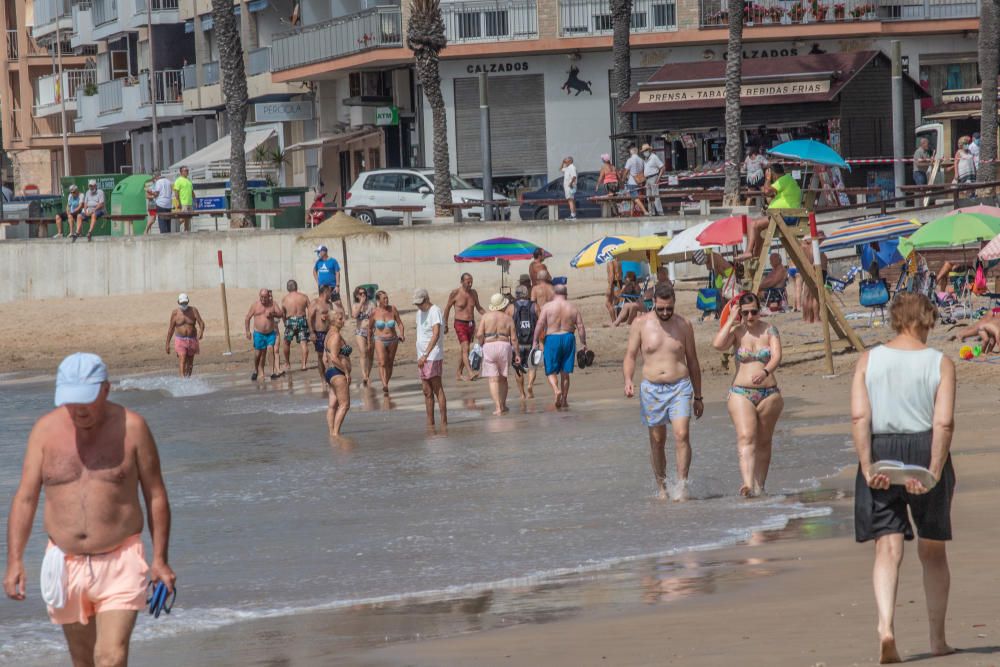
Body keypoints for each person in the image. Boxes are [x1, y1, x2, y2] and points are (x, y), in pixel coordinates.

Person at [3, 353, 176, 666]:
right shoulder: (44, 432)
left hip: (121, 560)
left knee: (110, 658)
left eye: (86, 400)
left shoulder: (133, 428)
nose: (78, 409)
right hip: (65, 565)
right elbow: (25, 498)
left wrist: (160, 559)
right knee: (83, 661)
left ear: (106, 390)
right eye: (70, 400)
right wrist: (14, 560)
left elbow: (155, 495)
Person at [850, 293, 956, 664]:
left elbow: (860, 418)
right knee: (932, 548)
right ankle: (937, 640)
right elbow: (943, 422)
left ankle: (886, 627)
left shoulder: (869, 359)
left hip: (882, 449)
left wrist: (866, 466)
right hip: (924, 447)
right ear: (925, 319)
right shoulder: (939, 363)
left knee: (887, 545)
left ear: (895, 319)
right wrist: (935, 468)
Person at [623, 282, 704, 500]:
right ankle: (662, 488)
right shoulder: (640, 324)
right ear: (653, 304)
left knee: (682, 434)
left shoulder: (684, 325)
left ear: (674, 303)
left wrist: (698, 396)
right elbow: (630, 355)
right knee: (657, 441)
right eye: (661, 309)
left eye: (669, 308)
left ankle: (682, 485)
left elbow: (693, 361)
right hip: (651, 389)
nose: (666, 312)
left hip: (680, 386)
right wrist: (628, 379)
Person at [712, 293, 783, 497]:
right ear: (740, 313)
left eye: (754, 311)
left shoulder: (770, 330)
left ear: (759, 310)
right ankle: (747, 484)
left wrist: (765, 371)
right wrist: (731, 319)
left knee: (764, 441)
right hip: (741, 393)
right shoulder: (736, 332)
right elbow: (718, 345)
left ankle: (760, 485)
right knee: (746, 437)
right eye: (746, 313)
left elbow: (777, 355)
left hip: (769, 393)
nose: (751, 316)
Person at [532, 284, 587, 409]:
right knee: (565, 372)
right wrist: (584, 343)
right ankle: (564, 400)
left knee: (550, 370)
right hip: (568, 337)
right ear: (566, 294)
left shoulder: (547, 307)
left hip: (552, 338)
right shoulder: (573, 307)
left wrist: (535, 341)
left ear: (554, 294)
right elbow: (581, 327)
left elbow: (540, 324)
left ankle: (556, 390)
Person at [745, 163, 802, 259]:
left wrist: (767, 179)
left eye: (771, 177)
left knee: (753, 224)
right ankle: (755, 254)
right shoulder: (788, 180)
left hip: (785, 216)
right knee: (759, 229)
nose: (771, 180)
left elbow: (767, 191)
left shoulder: (784, 179)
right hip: (784, 215)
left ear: (773, 175)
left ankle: (748, 251)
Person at [476, 294, 520, 415]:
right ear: (503, 305)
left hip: (489, 345)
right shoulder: (508, 318)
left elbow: (479, 334)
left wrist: (481, 344)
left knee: (493, 379)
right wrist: (517, 354)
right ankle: (504, 405)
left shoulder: (485, 317)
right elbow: (514, 339)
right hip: (504, 345)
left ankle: (497, 407)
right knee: (503, 378)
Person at [413, 288, 447, 426]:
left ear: (427, 299)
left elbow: (436, 334)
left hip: (432, 355)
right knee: (426, 391)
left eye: (420, 303)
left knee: (437, 388)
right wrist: (421, 356)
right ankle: (430, 422)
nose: (419, 306)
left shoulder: (435, 311)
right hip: (421, 356)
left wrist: (426, 354)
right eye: (417, 304)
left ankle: (444, 422)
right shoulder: (418, 313)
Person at [443, 273, 484, 382]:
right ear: (462, 282)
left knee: (464, 350)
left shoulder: (473, 293)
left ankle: (459, 373)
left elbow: (479, 308)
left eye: (471, 281)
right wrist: (445, 324)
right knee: (466, 348)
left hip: (471, 324)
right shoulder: (455, 293)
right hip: (460, 324)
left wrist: (489, 315)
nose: (470, 284)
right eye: (468, 282)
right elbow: (447, 308)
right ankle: (470, 372)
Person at [369, 290, 405, 395]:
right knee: (382, 363)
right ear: (378, 300)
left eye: (387, 298)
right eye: (384, 298)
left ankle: (386, 383)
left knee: (389, 363)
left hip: (393, 339)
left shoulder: (392, 309)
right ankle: (384, 384)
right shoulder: (374, 312)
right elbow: (370, 328)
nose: (386, 300)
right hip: (379, 339)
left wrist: (402, 334)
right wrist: (368, 341)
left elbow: (400, 323)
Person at [323, 309, 352, 436]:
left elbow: (325, 357)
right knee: (344, 405)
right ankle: (335, 433)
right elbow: (334, 358)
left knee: (332, 405)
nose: (343, 321)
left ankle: (331, 434)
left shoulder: (329, 334)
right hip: (337, 373)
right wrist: (346, 371)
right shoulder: (335, 336)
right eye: (340, 319)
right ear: (333, 321)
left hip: (330, 373)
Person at [245, 288, 283, 381]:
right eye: (261, 297)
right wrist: (247, 331)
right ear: (259, 296)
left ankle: (272, 372)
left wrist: (273, 314)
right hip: (258, 333)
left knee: (270, 349)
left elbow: (281, 314)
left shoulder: (273, 304)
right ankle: (256, 370)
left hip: (270, 333)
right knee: (258, 353)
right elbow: (247, 318)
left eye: (265, 297)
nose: (263, 299)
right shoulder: (255, 305)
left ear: (268, 296)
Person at [508, 284, 538, 399]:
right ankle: (530, 385)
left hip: (517, 343)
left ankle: (522, 394)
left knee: (517, 369)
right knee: (532, 367)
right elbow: (540, 323)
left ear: (516, 295)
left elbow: (505, 325)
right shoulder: (534, 306)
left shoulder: (511, 308)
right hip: (531, 342)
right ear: (527, 294)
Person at [165, 292, 205, 378]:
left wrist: (201, 332)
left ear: (188, 301)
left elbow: (201, 323)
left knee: (190, 362)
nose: (184, 304)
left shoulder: (193, 310)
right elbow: (171, 329)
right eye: (182, 303)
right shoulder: (175, 313)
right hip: (180, 340)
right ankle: (182, 380)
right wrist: (167, 344)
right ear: (178, 302)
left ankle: (188, 379)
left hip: (192, 339)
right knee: (182, 358)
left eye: (185, 303)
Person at [280, 279, 311, 373]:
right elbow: (310, 310)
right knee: (303, 343)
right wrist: (309, 322)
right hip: (302, 319)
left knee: (286, 342)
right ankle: (304, 365)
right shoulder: (304, 297)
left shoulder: (285, 299)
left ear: (287, 288)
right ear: (296, 287)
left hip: (290, 320)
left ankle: (287, 363)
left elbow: (283, 314)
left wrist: (285, 322)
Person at [309, 285, 335, 383]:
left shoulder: (329, 304)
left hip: (329, 332)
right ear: (325, 291)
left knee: (330, 354)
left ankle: (330, 375)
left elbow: (332, 317)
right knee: (320, 356)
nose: (331, 294)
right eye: (330, 291)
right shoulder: (314, 303)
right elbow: (309, 318)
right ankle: (323, 378)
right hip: (318, 333)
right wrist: (311, 332)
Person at [351, 286, 376, 386]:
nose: (363, 295)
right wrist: (361, 303)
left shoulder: (371, 304)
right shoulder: (356, 305)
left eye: (364, 293)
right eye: (360, 294)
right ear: (357, 295)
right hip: (360, 331)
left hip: (371, 331)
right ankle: (364, 375)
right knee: (363, 352)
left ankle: (368, 375)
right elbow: (354, 315)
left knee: (370, 354)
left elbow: (376, 316)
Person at [623, 145, 648, 216]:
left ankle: (645, 211)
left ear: (631, 152)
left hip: (631, 182)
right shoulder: (641, 160)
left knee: (635, 198)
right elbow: (643, 170)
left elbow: (626, 171)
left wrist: (623, 178)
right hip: (639, 181)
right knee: (632, 198)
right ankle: (631, 213)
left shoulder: (630, 160)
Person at [642, 144, 665, 216]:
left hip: (653, 177)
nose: (644, 152)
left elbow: (662, 167)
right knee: (649, 197)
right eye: (643, 151)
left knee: (655, 196)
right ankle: (651, 212)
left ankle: (660, 212)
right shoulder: (645, 159)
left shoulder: (654, 157)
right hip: (647, 179)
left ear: (649, 150)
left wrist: (658, 178)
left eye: (646, 150)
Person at [172, 166, 194, 232]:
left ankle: (187, 231)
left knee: (188, 219)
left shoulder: (189, 180)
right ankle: (174, 227)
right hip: (183, 203)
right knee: (183, 218)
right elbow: (176, 192)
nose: (187, 172)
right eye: (185, 170)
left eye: (187, 170)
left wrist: (195, 200)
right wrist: (178, 202)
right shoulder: (178, 180)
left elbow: (192, 191)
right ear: (181, 172)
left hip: (189, 202)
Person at [151, 171, 173, 235]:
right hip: (168, 204)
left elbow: (156, 193)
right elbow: (171, 192)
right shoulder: (168, 181)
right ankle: (169, 234)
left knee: (162, 221)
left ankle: (163, 236)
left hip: (160, 203)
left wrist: (152, 193)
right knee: (168, 220)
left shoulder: (158, 182)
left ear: (156, 177)